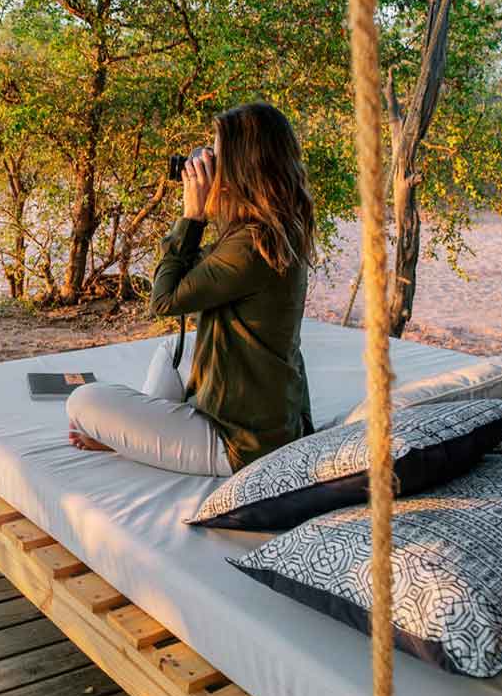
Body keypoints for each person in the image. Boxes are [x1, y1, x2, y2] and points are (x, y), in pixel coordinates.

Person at [66, 102, 315, 476]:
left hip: (239, 442)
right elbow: (201, 282)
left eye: (217, 155)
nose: (207, 164)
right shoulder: (273, 229)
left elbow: (165, 300)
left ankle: (139, 437)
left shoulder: (250, 246)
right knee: (172, 351)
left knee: (83, 400)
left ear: (242, 166)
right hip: (268, 414)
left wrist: (192, 216)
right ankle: (142, 436)